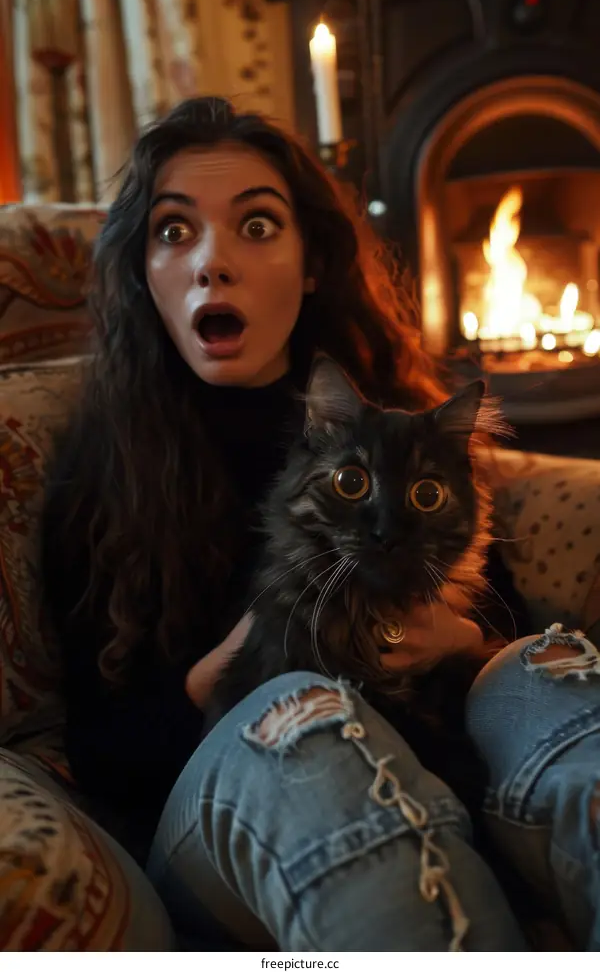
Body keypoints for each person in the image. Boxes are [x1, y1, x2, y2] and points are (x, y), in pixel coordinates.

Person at [41, 97, 600, 952]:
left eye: (257, 225)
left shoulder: (395, 421)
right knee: (309, 719)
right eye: (174, 231)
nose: (212, 262)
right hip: (223, 811)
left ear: (309, 264)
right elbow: (101, 750)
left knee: (544, 674)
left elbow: (502, 616)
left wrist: (452, 636)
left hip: (429, 760)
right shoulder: (100, 468)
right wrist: (221, 671)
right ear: (143, 271)